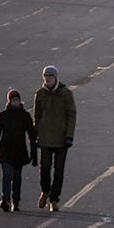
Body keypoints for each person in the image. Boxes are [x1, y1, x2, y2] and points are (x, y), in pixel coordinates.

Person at [33, 65, 76, 213]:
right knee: (44, 168)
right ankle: (45, 191)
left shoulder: (65, 94)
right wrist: (36, 132)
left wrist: (69, 135)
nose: (48, 79)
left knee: (59, 171)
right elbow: (36, 115)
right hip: (45, 137)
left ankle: (54, 199)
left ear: (56, 77)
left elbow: (72, 115)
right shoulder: (40, 94)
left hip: (61, 139)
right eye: (45, 76)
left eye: (50, 76)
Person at [0, 89, 37, 212]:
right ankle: (6, 199)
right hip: (5, 151)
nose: (16, 102)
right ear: (9, 101)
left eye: (17, 99)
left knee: (17, 177)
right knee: (7, 175)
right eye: (13, 100)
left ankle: (16, 201)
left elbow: (31, 135)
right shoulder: (3, 115)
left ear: (20, 101)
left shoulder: (25, 116)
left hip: (20, 152)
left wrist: (34, 153)